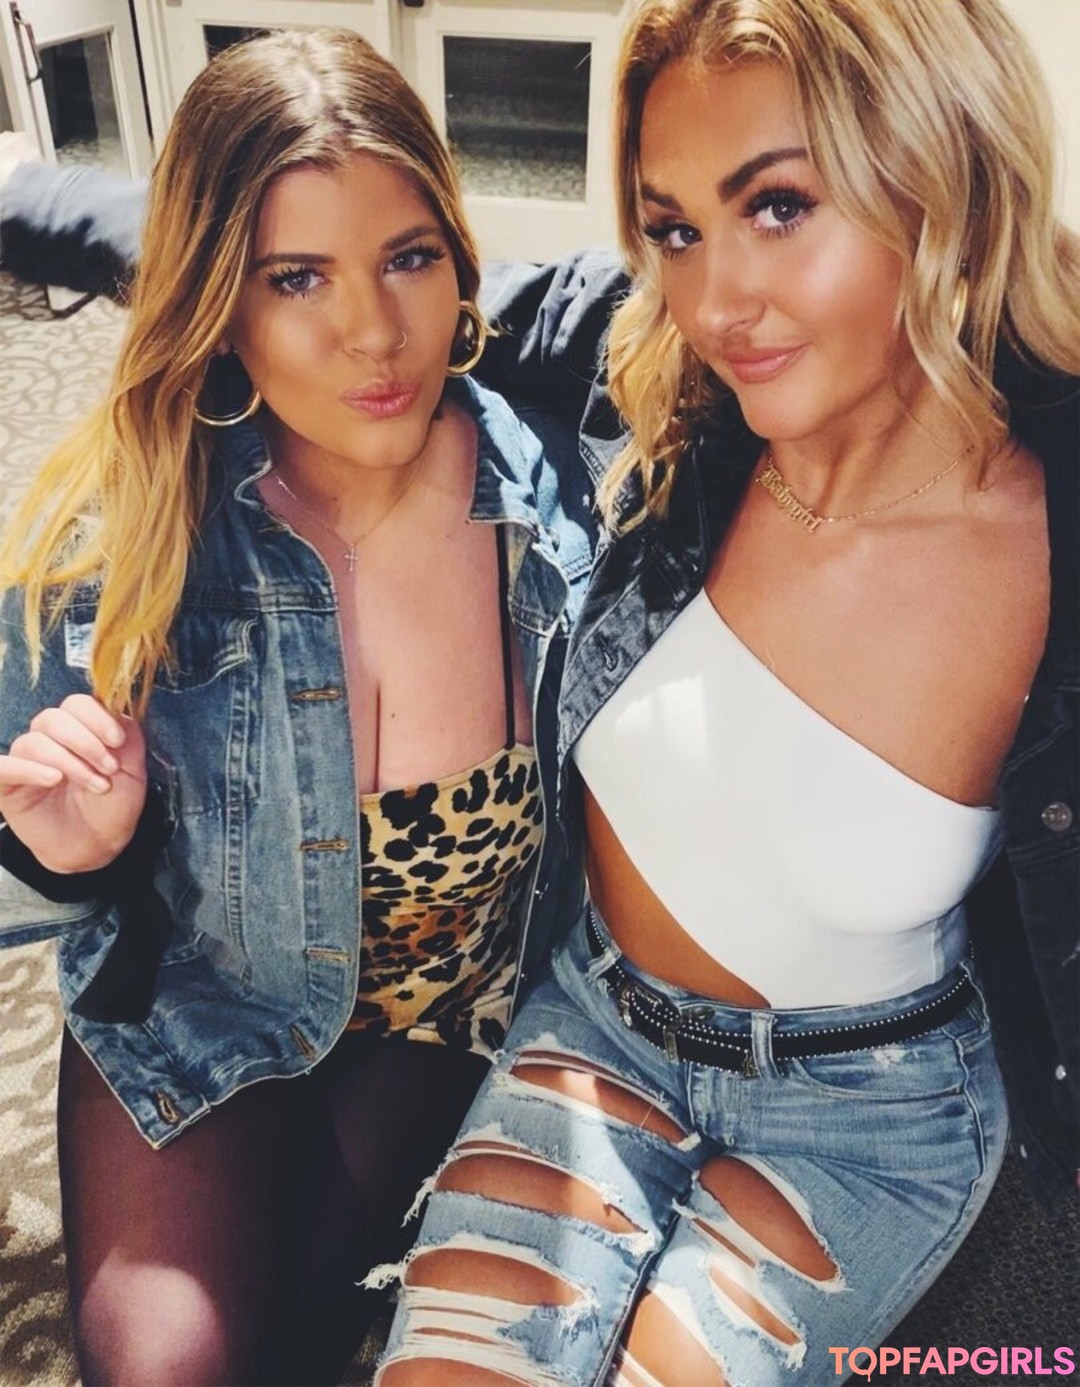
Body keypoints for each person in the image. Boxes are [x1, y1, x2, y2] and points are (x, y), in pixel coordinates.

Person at [363, 1, 1078, 1383]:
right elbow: (362, 275)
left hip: (869, 1122)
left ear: (945, 172)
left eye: (779, 206)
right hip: (594, 1034)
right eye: (677, 229)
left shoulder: (1048, 532)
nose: (716, 303)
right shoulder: (650, 385)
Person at [0, 28, 596, 1387]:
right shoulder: (127, 539)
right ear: (220, 301)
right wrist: (66, 851)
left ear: (461, 263)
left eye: (409, 258)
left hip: (437, 1016)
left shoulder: (552, 504)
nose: (373, 333)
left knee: (290, 1342)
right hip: (203, 1000)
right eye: (296, 278)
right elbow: (22, 866)